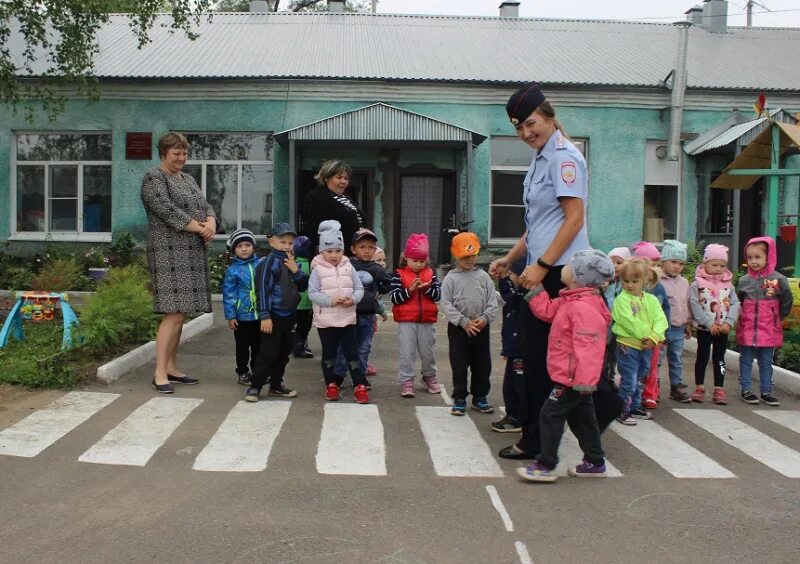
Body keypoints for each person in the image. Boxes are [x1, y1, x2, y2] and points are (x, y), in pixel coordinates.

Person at [488, 83, 592, 460]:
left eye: (531, 123)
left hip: (560, 272)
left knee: (541, 358)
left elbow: (574, 218)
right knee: (549, 356)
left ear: (548, 116)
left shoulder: (564, 158)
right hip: (545, 266)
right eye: (519, 127)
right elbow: (540, 223)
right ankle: (575, 423)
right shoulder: (542, 157)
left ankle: (536, 441)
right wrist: (513, 256)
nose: (526, 133)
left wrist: (542, 266)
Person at [517, 250, 615, 482]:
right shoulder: (572, 299)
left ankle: (545, 464)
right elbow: (548, 310)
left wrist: (584, 380)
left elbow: (589, 347)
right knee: (583, 419)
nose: (564, 267)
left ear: (578, 275)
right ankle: (594, 461)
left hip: (573, 377)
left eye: (570, 265)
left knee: (550, 414)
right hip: (573, 376)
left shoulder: (583, 307)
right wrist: (535, 289)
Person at [140, 132, 215, 394]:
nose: (182, 158)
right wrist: (199, 228)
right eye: (177, 153)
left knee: (181, 314)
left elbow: (206, 206)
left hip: (191, 249)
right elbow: (165, 209)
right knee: (173, 312)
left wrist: (211, 222)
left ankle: (171, 367)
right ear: (164, 154)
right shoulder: (154, 177)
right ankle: (159, 372)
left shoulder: (189, 179)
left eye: (184, 153)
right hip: (168, 251)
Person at [245, 223, 307, 402]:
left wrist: (296, 271)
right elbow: (262, 290)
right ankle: (255, 386)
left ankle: (276, 385)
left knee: (284, 352)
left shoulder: (293, 261)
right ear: (272, 242)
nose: (287, 246)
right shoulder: (268, 263)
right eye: (283, 242)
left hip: (290, 314)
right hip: (273, 315)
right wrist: (264, 315)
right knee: (268, 352)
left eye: (290, 242)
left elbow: (303, 286)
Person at [308, 220, 368, 404]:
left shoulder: (349, 267)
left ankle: (359, 385)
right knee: (329, 354)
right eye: (329, 251)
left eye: (338, 250)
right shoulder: (317, 269)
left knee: (352, 353)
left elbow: (359, 288)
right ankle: (331, 385)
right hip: (326, 321)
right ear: (321, 251)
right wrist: (330, 301)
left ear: (343, 250)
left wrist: (353, 299)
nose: (334, 255)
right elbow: (312, 293)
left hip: (348, 318)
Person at [440, 232, 499, 416]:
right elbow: (446, 304)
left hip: (481, 327)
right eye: (465, 256)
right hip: (459, 328)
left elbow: (492, 300)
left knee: (482, 364)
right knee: (459, 363)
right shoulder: (451, 278)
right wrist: (463, 321)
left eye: (472, 256)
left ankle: (480, 396)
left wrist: (485, 318)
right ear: (456, 256)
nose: (469, 260)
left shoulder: (483, 277)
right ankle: (459, 398)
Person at [736, 236, 792, 407]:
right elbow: (739, 301)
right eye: (750, 257)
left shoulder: (778, 280)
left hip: (769, 330)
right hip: (747, 329)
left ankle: (766, 391)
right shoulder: (744, 281)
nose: (753, 261)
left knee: (766, 362)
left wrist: (777, 318)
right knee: (745, 360)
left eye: (758, 257)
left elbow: (787, 301)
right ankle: (746, 389)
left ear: (769, 257)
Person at [611, 258, 668, 425]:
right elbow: (628, 321)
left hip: (647, 346)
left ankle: (634, 405)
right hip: (627, 346)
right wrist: (647, 336)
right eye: (625, 281)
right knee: (629, 378)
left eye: (635, 281)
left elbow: (661, 319)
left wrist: (654, 337)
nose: (629, 285)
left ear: (644, 280)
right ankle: (621, 409)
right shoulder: (621, 300)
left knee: (641, 376)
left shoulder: (651, 300)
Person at [333, 228, 393, 385]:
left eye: (370, 247)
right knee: (343, 348)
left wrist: (380, 291)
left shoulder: (377, 268)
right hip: (348, 314)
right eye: (362, 246)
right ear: (353, 249)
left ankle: (360, 379)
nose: (367, 251)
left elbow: (388, 283)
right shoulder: (347, 265)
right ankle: (337, 376)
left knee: (364, 348)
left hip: (367, 316)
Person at [390, 233, 442, 398]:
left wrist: (427, 289)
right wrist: (410, 290)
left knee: (428, 352)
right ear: (406, 258)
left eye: (422, 261)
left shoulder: (431, 274)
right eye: (415, 260)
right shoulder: (399, 274)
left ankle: (429, 376)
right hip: (406, 321)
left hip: (427, 320)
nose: (419, 264)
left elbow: (438, 296)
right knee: (407, 352)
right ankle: (407, 380)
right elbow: (395, 298)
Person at [690, 244, 740, 405]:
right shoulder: (697, 283)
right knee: (702, 356)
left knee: (720, 358)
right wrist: (708, 323)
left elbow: (735, 304)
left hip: (723, 329)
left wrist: (729, 323)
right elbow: (694, 303)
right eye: (714, 265)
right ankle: (699, 386)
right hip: (705, 328)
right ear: (705, 263)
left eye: (722, 266)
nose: (719, 269)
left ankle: (719, 387)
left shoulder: (729, 284)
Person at [631, 242, 670, 411]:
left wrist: (660, 334)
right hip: (633, 337)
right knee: (635, 366)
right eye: (647, 264)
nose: (651, 268)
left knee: (651, 366)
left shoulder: (658, 287)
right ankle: (634, 394)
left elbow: (664, 311)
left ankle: (649, 394)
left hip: (654, 337)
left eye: (655, 264)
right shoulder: (630, 285)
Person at [222, 228, 263, 387]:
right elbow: (229, 294)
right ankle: (242, 372)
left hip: (259, 315)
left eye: (247, 245)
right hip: (241, 316)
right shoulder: (232, 271)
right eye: (239, 246)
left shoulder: (260, 265)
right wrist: (231, 316)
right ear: (234, 250)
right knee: (242, 347)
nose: (244, 248)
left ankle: (257, 371)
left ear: (253, 246)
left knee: (258, 345)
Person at [491, 258, 527, 433]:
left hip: (520, 351)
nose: (510, 277)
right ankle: (515, 416)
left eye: (512, 274)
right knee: (510, 384)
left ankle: (517, 417)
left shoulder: (523, 295)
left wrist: (503, 278)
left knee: (515, 386)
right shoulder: (519, 293)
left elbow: (509, 296)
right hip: (514, 349)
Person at [302, 159, 365, 255]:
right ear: (326, 178)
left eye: (346, 178)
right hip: (333, 255)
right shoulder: (317, 197)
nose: (343, 181)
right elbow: (317, 229)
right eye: (339, 177)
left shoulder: (346, 197)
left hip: (351, 252)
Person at [659, 240, 693, 403]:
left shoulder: (684, 282)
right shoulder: (657, 281)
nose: (677, 266)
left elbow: (686, 303)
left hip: (679, 328)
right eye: (673, 262)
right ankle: (652, 386)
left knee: (677, 359)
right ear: (663, 261)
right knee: (657, 360)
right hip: (661, 329)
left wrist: (688, 323)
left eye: (681, 263)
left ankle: (676, 386)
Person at [292, 235, 315, 359]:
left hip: (294, 303)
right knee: (304, 327)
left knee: (294, 326)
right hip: (306, 304)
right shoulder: (311, 266)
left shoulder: (292, 264)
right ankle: (300, 348)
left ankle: (294, 345)